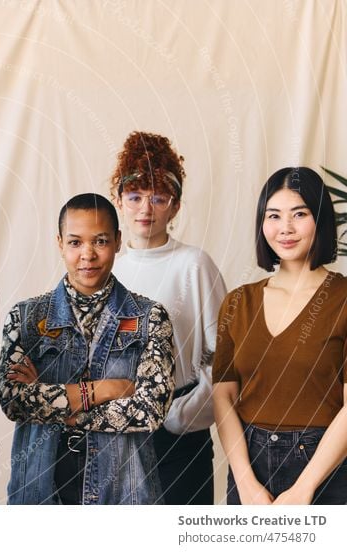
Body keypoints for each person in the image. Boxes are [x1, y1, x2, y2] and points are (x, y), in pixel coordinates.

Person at [0, 193, 175, 504]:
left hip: (125, 494)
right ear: (59, 243)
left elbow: (150, 409)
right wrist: (107, 389)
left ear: (118, 241)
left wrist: (53, 405)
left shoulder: (150, 318)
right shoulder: (25, 318)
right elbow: (14, 401)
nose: (87, 255)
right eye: (75, 242)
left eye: (101, 241)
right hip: (38, 494)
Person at [213, 167, 347, 504]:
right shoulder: (238, 302)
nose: (285, 228)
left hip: (328, 467)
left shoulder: (342, 298)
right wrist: (244, 481)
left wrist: (305, 487)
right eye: (273, 216)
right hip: (250, 463)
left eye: (299, 214)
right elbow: (223, 396)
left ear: (320, 219)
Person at [111, 131, 226, 504]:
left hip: (178, 436)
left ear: (174, 206)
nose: (145, 209)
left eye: (158, 198)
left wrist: (183, 415)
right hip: (117, 435)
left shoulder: (194, 265)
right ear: (119, 200)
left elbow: (222, 352)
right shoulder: (105, 270)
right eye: (135, 197)